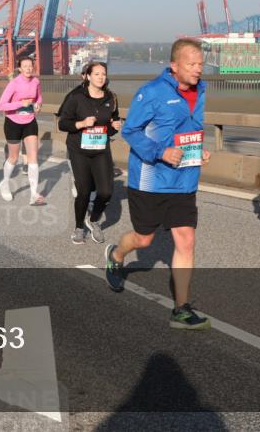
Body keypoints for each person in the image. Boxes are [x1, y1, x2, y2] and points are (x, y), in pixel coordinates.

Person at [106, 38, 212, 330]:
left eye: (200, 64)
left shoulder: (200, 90)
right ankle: (116, 255)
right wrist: (160, 152)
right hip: (151, 180)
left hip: (184, 180)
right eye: (191, 64)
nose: (198, 69)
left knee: (186, 240)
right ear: (174, 66)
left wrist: (198, 150)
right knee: (144, 239)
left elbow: (191, 128)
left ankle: (181, 308)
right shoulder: (151, 92)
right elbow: (131, 130)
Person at [57, 61, 122, 244]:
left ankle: (93, 219)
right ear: (88, 76)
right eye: (97, 74)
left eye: (103, 74)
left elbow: (112, 125)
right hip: (79, 150)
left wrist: (115, 126)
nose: (101, 77)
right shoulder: (76, 97)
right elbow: (63, 124)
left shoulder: (111, 98)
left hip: (100, 149)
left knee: (106, 192)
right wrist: (81, 124)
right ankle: (78, 228)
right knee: (84, 191)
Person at [0, 56, 45, 205]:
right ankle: (4, 183)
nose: (28, 68)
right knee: (14, 157)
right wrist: (19, 104)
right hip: (13, 122)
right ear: (20, 68)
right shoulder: (14, 84)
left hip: (30, 121)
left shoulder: (36, 81)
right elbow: (1, 106)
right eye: (25, 66)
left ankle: (33, 194)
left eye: (30, 66)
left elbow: (39, 98)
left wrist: (38, 105)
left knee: (33, 157)